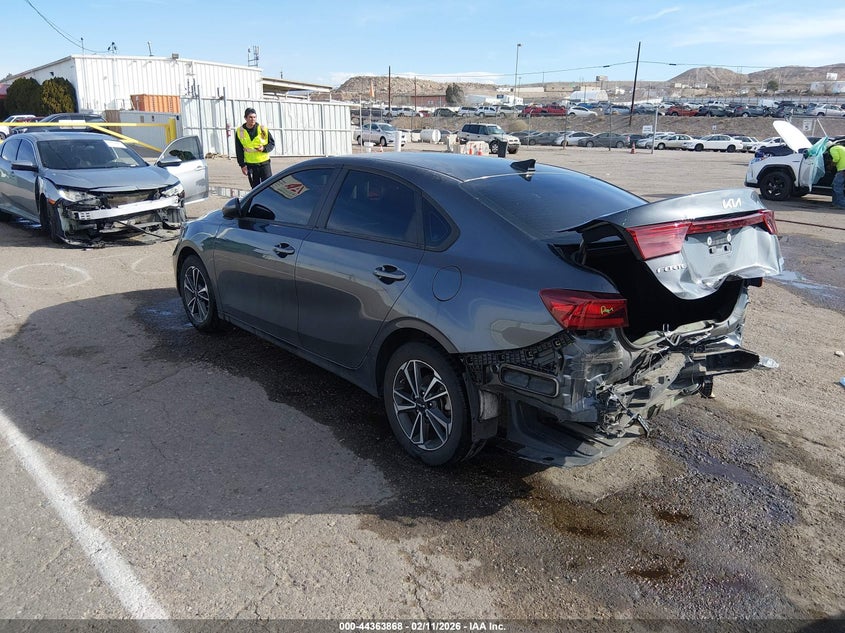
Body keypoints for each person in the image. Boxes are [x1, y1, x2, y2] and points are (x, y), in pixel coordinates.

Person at [235, 108, 275, 188]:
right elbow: (239, 150)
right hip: (251, 165)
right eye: (250, 117)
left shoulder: (263, 129)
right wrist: (242, 165)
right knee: (255, 189)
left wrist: (264, 148)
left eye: (254, 117)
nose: (253, 119)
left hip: (264, 164)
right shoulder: (240, 131)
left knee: (268, 187)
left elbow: (271, 143)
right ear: (245, 118)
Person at [829, 142, 845, 209]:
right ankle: (835, 203)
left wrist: (831, 165)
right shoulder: (842, 147)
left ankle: (842, 204)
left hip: (842, 169)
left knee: (837, 187)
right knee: (834, 185)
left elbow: (836, 158)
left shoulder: (833, 149)